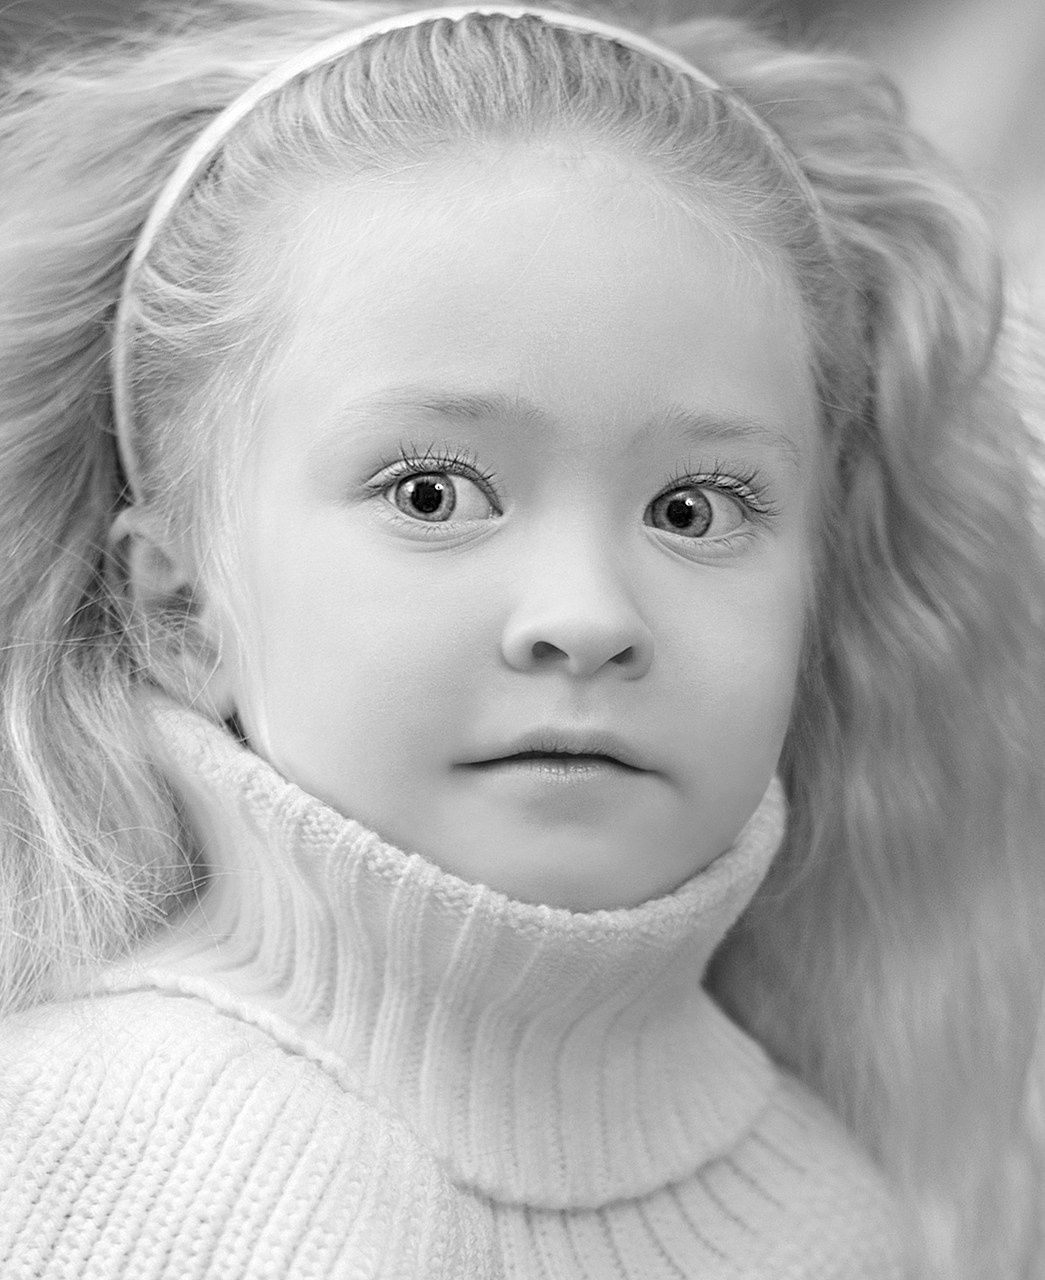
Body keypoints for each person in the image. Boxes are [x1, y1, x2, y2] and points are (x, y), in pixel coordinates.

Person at [1, 2, 1042, 1276]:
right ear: (177, 606)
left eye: (693, 508)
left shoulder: (835, 1218)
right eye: (432, 491)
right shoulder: (79, 1160)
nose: (588, 615)